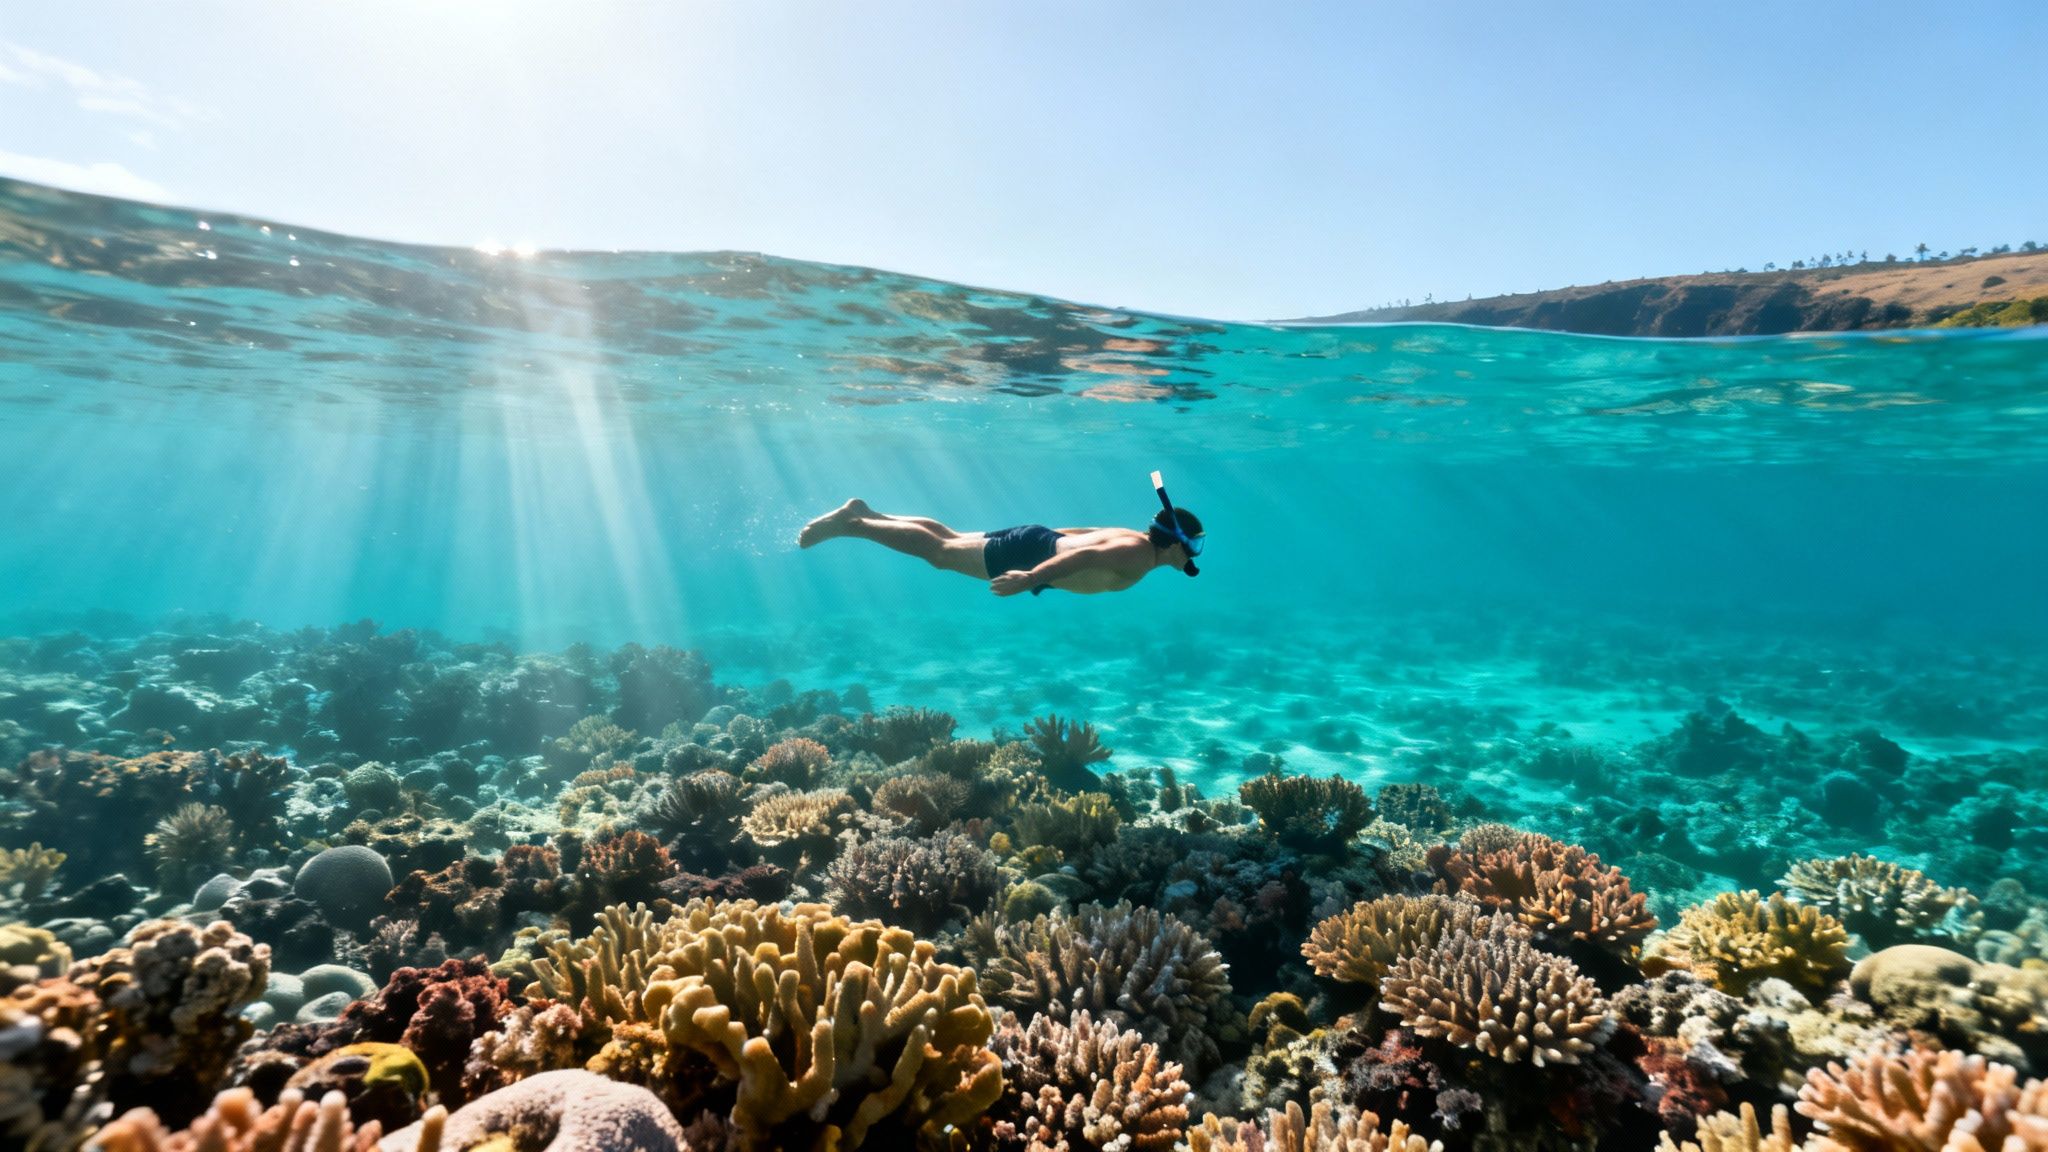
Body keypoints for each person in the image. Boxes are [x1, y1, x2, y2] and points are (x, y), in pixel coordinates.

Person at [797, 497, 1204, 596]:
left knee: (949, 538)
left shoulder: (1132, 536)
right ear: (1178, 544)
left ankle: (868, 513)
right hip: (1032, 555)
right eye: (1195, 546)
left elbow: (1082, 532)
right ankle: (856, 525)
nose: (1195, 554)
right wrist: (1031, 577)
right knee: (939, 554)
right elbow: (1085, 555)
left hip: (1037, 537)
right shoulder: (1138, 556)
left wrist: (1035, 539)